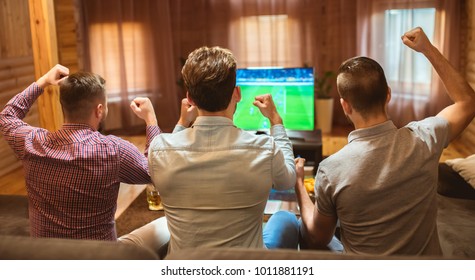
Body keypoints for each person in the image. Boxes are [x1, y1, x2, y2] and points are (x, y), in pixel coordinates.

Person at [294, 27, 475, 255]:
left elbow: (317, 237)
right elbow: (468, 102)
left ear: (345, 106)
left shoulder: (331, 170)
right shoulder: (426, 138)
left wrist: (299, 184)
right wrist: (427, 49)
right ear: (388, 94)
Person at [135, 46, 298, 253]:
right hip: (247, 267)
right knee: (286, 218)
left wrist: (182, 124)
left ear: (190, 98)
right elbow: (288, 180)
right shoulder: (265, 147)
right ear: (237, 93)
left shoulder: (159, 148)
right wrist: (276, 121)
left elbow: (168, 152)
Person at [0, 65, 169, 253]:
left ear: (63, 106)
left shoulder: (32, 142)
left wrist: (44, 81)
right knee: (165, 226)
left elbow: (7, 116)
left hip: (46, 256)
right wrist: (151, 120)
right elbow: (155, 172)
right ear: (99, 110)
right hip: (98, 257)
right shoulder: (114, 150)